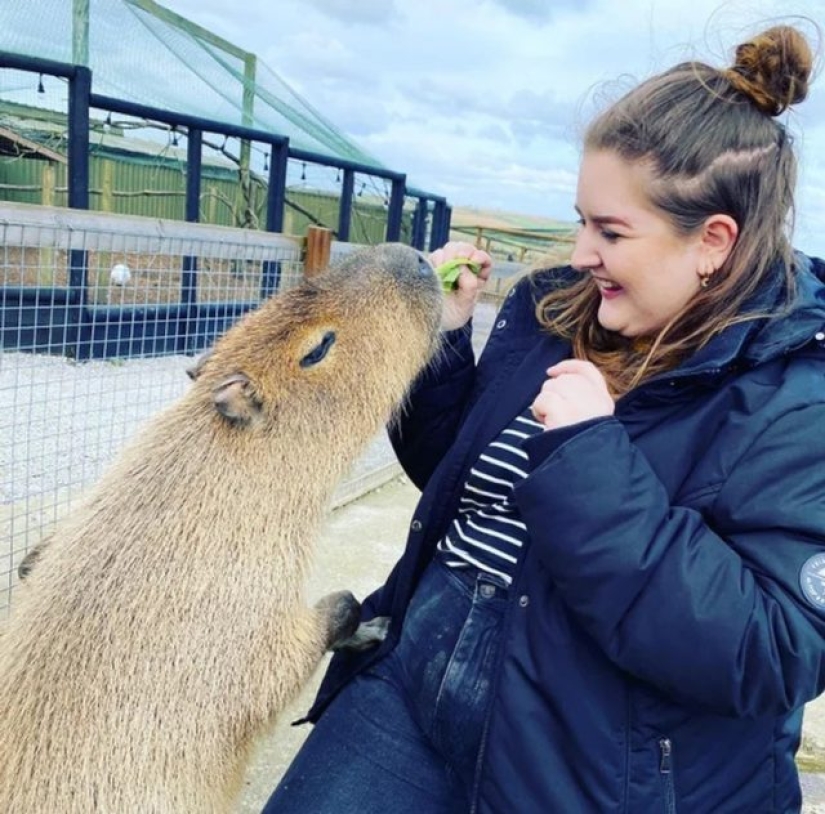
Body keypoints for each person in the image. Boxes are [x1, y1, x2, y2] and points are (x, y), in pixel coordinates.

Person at [262, 23, 825, 813]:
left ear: (711, 242)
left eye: (610, 231)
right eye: (580, 219)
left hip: (589, 754)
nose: (580, 252)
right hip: (415, 668)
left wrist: (590, 454)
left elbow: (769, 652)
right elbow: (453, 476)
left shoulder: (797, 395)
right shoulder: (554, 307)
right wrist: (443, 343)